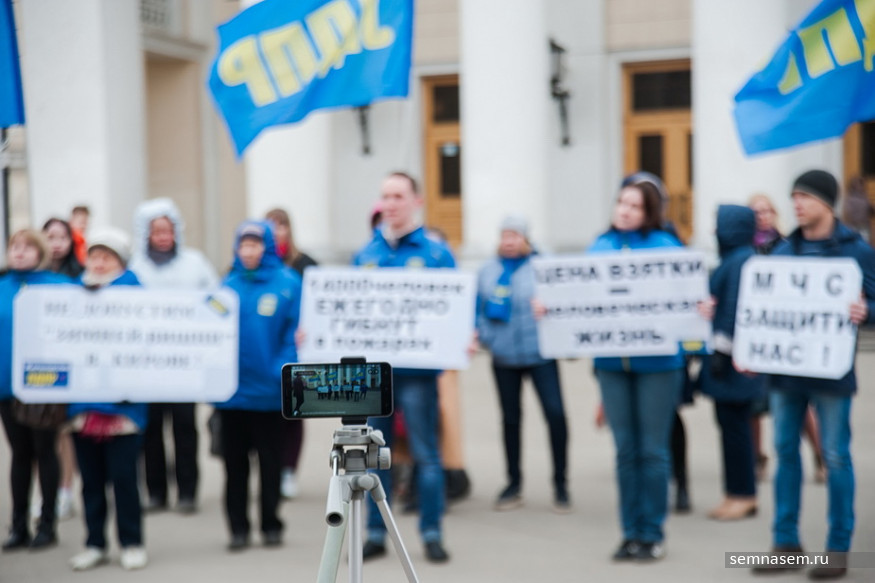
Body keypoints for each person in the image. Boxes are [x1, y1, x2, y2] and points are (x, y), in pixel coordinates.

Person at [753, 170, 874, 580]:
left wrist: (866, 312)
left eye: (805, 196)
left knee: (835, 455)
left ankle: (838, 548)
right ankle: (785, 543)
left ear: (826, 202)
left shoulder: (856, 252)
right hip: (786, 375)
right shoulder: (783, 251)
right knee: (785, 452)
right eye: (794, 197)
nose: (797, 205)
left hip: (831, 374)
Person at [354, 172, 454, 564]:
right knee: (375, 454)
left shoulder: (435, 254)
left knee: (426, 453)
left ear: (417, 201)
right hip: (375, 375)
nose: (391, 204)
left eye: (398, 196)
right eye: (386, 196)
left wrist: (464, 335)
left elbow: (456, 308)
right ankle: (377, 532)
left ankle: (432, 532)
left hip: (418, 374)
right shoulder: (365, 255)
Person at [588, 178, 685, 562]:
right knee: (625, 451)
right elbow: (579, 300)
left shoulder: (666, 247)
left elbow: (686, 297)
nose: (625, 211)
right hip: (612, 365)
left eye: (635, 206)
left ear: (649, 212)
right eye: (621, 203)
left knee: (653, 451)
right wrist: (551, 309)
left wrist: (700, 307)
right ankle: (629, 533)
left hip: (658, 365)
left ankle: (652, 533)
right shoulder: (600, 247)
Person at [129, 198, 218, 515]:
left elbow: (216, 301)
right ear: (147, 234)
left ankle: (187, 491)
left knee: (184, 428)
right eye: (157, 231)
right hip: (147, 365)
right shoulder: (134, 267)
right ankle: (156, 492)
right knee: (151, 430)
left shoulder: (195, 263)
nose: (164, 237)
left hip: (185, 364)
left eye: (168, 231)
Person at [216, 220, 301, 552]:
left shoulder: (288, 283)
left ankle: (270, 523)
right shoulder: (226, 286)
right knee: (234, 467)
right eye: (244, 245)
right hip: (232, 397)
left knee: (270, 464)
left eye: (255, 244)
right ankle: (238, 528)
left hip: (269, 395)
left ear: (267, 247)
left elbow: (295, 333)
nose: (249, 251)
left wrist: (280, 370)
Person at [67, 228, 148, 571]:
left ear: (121, 262)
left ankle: (131, 542)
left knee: (124, 479)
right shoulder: (72, 295)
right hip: (83, 406)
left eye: (107, 258)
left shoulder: (137, 295)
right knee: (91, 481)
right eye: (94, 257)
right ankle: (95, 543)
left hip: (123, 409)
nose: (99, 264)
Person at [477, 215, 570, 513]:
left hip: (541, 355)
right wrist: (489, 339)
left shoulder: (544, 266)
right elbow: (477, 310)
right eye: (505, 235)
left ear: (526, 238)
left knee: (555, 415)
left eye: (515, 235)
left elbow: (565, 301)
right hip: (504, 357)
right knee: (511, 419)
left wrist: (550, 310)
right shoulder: (488, 270)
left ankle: (561, 483)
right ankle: (513, 483)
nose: (509, 241)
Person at [747, 194, 826, 484]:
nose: (762, 216)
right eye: (756, 212)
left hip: (786, 338)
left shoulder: (787, 246)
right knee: (753, 407)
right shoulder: (745, 250)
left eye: (766, 210)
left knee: (801, 406)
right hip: (759, 336)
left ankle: (820, 455)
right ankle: (757, 458)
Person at [0, 230, 70, 551]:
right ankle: (18, 526)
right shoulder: (2, 287)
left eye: (28, 247)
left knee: (45, 451)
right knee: (20, 454)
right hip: (6, 386)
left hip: (44, 383)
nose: (19, 252)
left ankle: (47, 523)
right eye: (15, 246)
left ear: (40, 253)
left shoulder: (59, 287)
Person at [697, 205, 764, 521]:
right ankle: (734, 492)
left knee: (736, 431)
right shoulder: (738, 259)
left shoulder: (739, 262)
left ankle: (743, 494)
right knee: (731, 429)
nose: (714, 231)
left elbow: (733, 311)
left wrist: (720, 353)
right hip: (732, 364)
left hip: (732, 365)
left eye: (719, 224)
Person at [265, 208, 316, 500]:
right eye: (271, 226)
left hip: (297, 352)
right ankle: (271, 469)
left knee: (293, 414)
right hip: (265, 353)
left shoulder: (304, 265)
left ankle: (288, 469)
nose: (277, 232)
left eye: (281, 225)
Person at [41, 218, 83, 521]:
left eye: (62, 237)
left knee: (65, 432)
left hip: (69, 366)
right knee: (40, 435)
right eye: (50, 237)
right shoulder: (28, 278)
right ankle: (45, 493)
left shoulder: (80, 278)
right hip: (38, 368)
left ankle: (66, 490)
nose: (56, 244)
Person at [841, 176, 873, 242]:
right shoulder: (850, 198)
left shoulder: (865, 197)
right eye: (859, 185)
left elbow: (870, 211)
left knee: (864, 243)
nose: (861, 187)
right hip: (853, 227)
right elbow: (848, 214)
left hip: (864, 227)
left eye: (862, 185)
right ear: (853, 186)